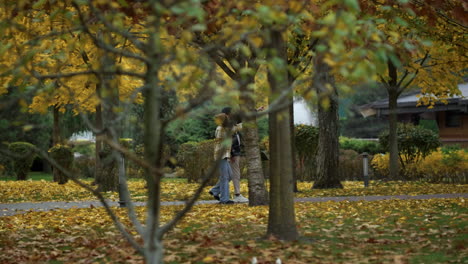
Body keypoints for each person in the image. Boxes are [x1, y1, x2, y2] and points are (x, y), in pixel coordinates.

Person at [221, 107, 249, 203]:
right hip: (233, 153)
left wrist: (256, 110)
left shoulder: (230, 124)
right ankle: (237, 194)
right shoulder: (227, 126)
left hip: (233, 152)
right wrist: (232, 153)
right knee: (234, 174)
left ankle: (215, 190)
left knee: (228, 174)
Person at [209, 113, 235, 204]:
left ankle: (215, 190)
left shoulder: (226, 128)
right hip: (221, 155)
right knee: (225, 177)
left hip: (225, 155)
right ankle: (224, 199)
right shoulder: (221, 129)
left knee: (230, 176)